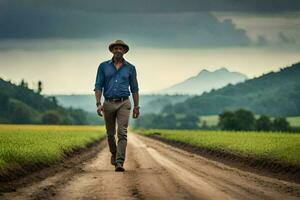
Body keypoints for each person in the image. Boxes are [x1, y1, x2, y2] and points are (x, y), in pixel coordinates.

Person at [93, 40, 140, 172]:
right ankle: (114, 154)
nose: (118, 50)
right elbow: (98, 86)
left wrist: (137, 106)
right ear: (112, 50)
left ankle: (120, 162)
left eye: (121, 48)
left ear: (124, 51)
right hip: (108, 103)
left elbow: (135, 88)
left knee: (122, 133)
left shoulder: (130, 68)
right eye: (116, 48)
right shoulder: (103, 66)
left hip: (124, 103)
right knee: (110, 134)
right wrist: (98, 103)